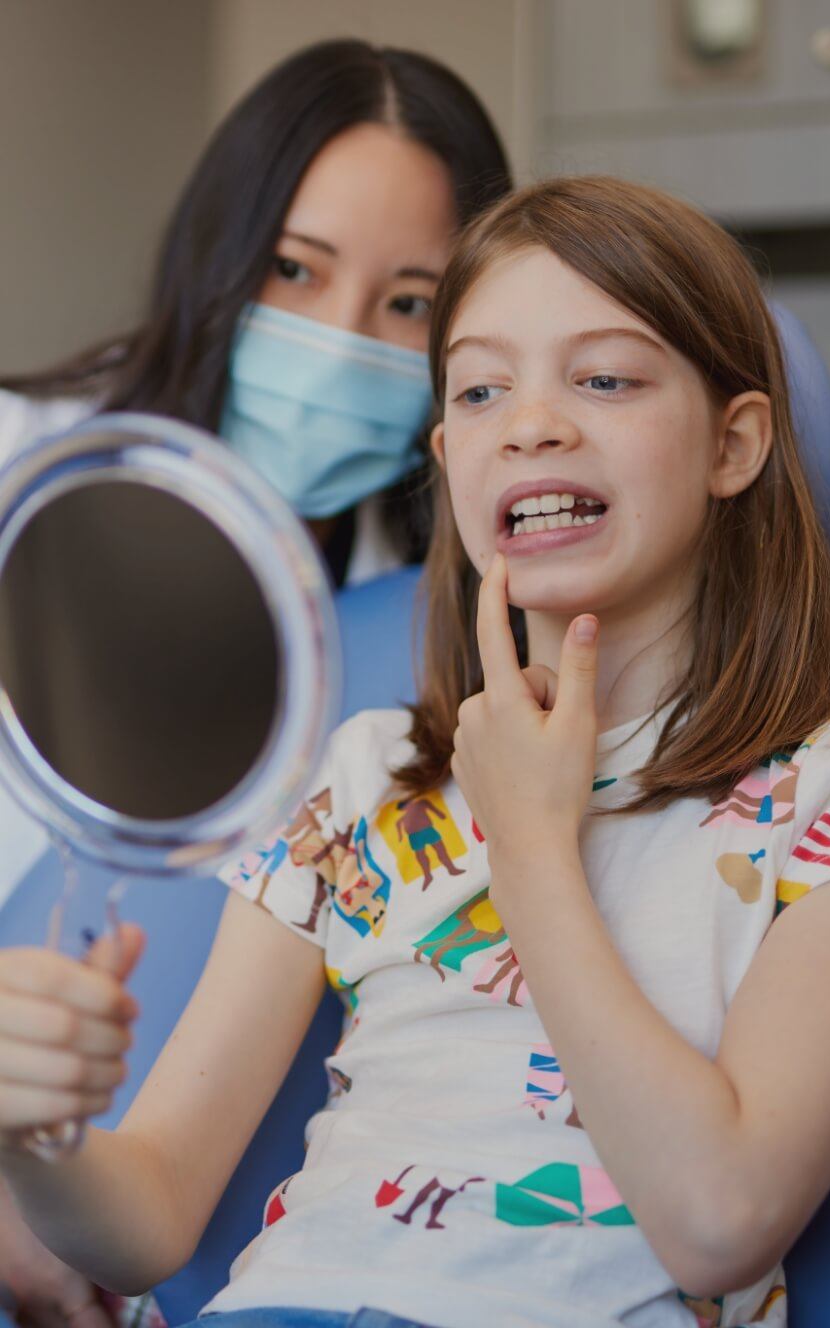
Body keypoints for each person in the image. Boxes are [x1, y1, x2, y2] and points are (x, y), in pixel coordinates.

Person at [2, 173, 830, 1327]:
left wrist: (534, 846)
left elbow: (717, 1222)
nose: (534, 423)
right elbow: (148, 1214)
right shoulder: (366, 772)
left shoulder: (825, 791)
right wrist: (35, 1139)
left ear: (734, 442)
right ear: (450, 456)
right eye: (483, 389)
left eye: (603, 378)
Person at [0, 37, 510, 1328]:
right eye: (294, 271)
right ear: (220, 260)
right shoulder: (28, 484)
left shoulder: (435, 629)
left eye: (408, 303)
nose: (338, 344)